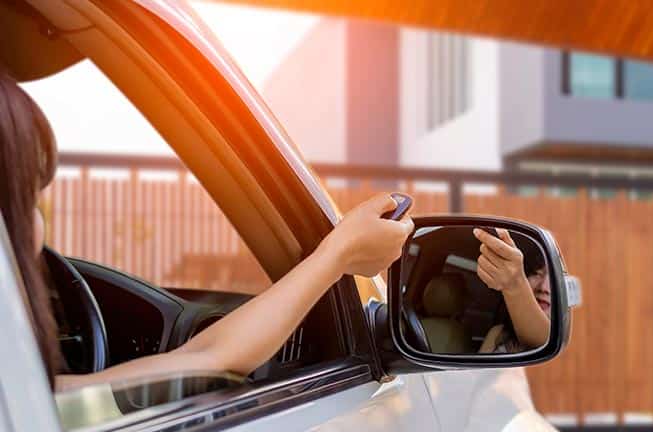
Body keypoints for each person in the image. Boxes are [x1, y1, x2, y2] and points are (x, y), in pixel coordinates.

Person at [0, 72, 413, 392]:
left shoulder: (26, 401)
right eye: (28, 200)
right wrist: (337, 255)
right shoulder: (26, 416)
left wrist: (338, 253)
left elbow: (209, 355)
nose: (39, 223)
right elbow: (213, 360)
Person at [473, 227, 550, 349]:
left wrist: (513, 284)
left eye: (554, 279)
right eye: (536, 273)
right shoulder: (497, 333)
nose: (544, 288)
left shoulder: (563, 341)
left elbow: (542, 344)